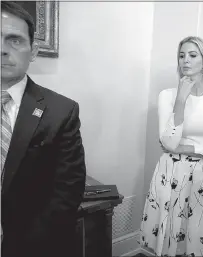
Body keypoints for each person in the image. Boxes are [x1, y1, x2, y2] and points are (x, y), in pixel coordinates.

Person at [1, 2, 86, 257]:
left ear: (33, 50)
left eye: (14, 40)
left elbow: (68, 192)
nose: (2, 49)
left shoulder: (61, 111)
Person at [140, 36, 203, 256]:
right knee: (169, 234)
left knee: (198, 237)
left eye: (192, 55)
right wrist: (180, 100)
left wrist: (189, 149)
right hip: (170, 172)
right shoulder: (167, 96)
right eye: (181, 56)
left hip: (202, 175)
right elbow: (169, 142)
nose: (185, 61)